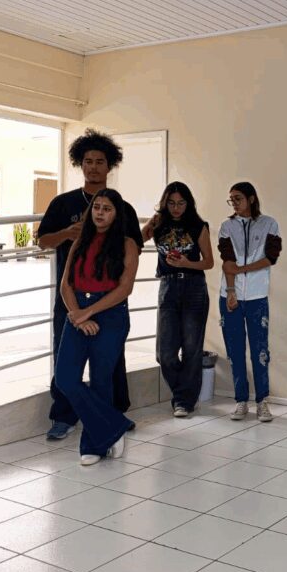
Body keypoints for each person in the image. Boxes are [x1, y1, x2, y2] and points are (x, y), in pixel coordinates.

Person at [36, 129, 143, 440]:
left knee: (108, 362)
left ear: (109, 166)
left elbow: (132, 247)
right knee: (65, 358)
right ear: (79, 165)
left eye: (100, 162)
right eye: (88, 161)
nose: (93, 167)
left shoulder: (122, 208)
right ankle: (64, 417)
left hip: (109, 299)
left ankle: (112, 415)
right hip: (71, 296)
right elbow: (42, 240)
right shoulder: (63, 202)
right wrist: (69, 233)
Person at [55, 188, 139, 465]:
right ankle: (113, 427)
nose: (100, 213)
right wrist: (77, 313)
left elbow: (125, 288)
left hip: (111, 314)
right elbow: (65, 283)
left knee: (102, 379)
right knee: (66, 378)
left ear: (117, 214)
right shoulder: (80, 241)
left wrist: (88, 313)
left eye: (107, 209)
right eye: (97, 207)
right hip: (78, 311)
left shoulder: (127, 245)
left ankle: (93, 444)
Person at [142, 182, 214, 417]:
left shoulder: (197, 225)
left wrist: (186, 263)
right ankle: (182, 393)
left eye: (181, 203)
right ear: (165, 203)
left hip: (193, 285)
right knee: (165, 352)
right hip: (168, 285)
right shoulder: (159, 223)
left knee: (192, 348)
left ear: (188, 203)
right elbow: (137, 240)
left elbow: (209, 262)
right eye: (171, 203)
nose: (176, 208)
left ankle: (183, 401)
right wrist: (151, 223)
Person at [217, 182, 282, 422]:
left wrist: (243, 269)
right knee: (235, 350)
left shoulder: (269, 224)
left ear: (251, 199)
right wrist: (231, 290)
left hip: (256, 296)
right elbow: (227, 261)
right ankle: (240, 401)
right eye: (231, 199)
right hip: (230, 295)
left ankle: (262, 401)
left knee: (260, 350)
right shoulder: (227, 227)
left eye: (238, 198)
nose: (234, 203)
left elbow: (270, 258)